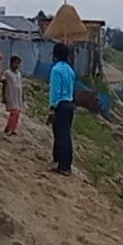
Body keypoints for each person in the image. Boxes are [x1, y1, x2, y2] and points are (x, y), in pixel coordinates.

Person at [48, 42, 77, 175]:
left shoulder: (56, 70)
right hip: (70, 104)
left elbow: (55, 91)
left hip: (61, 105)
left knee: (61, 136)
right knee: (65, 134)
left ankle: (64, 166)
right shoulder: (70, 70)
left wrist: (53, 107)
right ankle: (60, 161)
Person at [2, 55, 24, 135]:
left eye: (18, 63)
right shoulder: (7, 73)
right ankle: (9, 128)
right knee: (14, 112)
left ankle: (13, 128)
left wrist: (22, 96)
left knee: (18, 112)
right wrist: (4, 96)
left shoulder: (18, 73)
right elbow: (4, 84)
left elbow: (20, 85)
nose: (17, 65)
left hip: (17, 95)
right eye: (16, 63)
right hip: (10, 94)